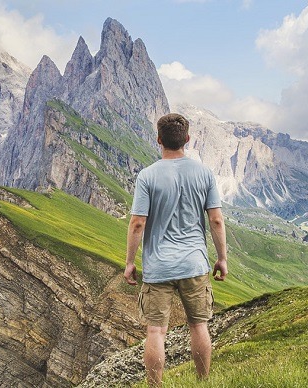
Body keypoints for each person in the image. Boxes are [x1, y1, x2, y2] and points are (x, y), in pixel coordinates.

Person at [124, 113, 228, 387]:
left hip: (158, 267)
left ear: (159, 140)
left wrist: (129, 262)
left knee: (156, 331)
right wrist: (222, 258)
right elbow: (216, 219)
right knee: (198, 325)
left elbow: (137, 224)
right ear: (187, 139)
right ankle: (203, 381)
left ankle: (154, 386)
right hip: (194, 263)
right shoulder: (204, 173)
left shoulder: (147, 176)